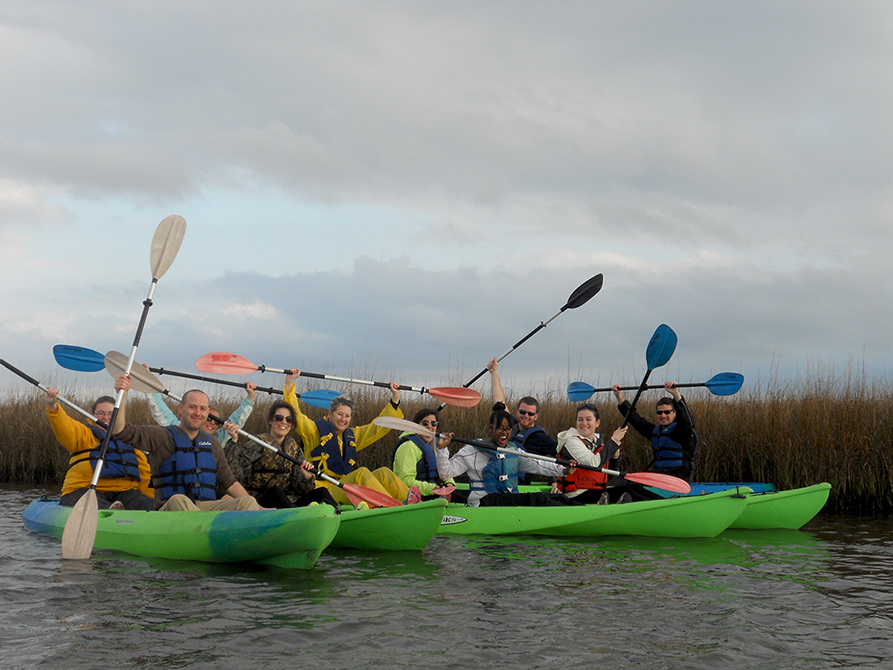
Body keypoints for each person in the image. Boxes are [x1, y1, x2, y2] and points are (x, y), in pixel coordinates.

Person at [110, 375, 263, 511]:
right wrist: (122, 396)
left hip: (206, 507)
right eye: (192, 407)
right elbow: (120, 431)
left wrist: (259, 507)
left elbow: (230, 482)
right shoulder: (161, 435)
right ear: (181, 408)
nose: (198, 413)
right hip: (172, 508)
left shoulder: (213, 443)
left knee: (247, 502)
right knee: (179, 500)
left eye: (203, 409)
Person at [283, 370, 412, 505]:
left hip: (341, 486)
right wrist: (290, 383)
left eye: (347, 416)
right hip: (323, 491)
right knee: (360, 474)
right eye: (339, 414)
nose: (343, 419)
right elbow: (295, 415)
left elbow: (376, 429)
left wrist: (395, 399)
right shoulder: (313, 431)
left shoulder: (351, 436)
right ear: (330, 414)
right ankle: (392, 507)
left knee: (384, 473)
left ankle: (414, 504)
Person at [433, 402, 577, 507]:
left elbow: (538, 464)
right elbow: (445, 473)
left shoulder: (512, 450)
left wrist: (563, 470)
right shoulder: (472, 450)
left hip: (506, 500)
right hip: (483, 502)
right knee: (537, 499)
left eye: (508, 429)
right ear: (491, 428)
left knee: (554, 497)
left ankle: (578, 507)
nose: (504, 433)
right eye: (500, 429)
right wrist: (442, 449)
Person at [43, 379, 154, 510]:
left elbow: (145, 476)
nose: (106, 418)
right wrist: (53, 407)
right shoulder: (84, 434)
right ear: (93, 415)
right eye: (100, 413)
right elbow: (65, 427)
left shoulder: (129, 441)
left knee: (148, 504)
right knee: (97, 504)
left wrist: (155, 499)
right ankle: (109, 515)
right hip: (84, 490)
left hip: (124, 492)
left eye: (111, 414)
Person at [224, 400, 339, 509]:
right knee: (275, 492)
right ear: (270, 421)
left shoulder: (294, 448)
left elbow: (302, 490)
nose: (284, 422)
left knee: (321, 492)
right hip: (260, 500)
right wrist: (234, 441)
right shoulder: (257, 444)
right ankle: (295, 517)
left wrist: (307, 477)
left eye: (288, 419)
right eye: (279, 418)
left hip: (287, 501)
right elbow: (236, 474)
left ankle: (339, 514)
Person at [488, 358, 559, 483]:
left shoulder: (540, 437)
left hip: (518, 483)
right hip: (499, 476)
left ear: (536, 416)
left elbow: (560, 454)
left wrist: (556, 482)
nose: (525, 416)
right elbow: (500, 402)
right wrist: (494, 373)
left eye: (530, 413)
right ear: (517, 412)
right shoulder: (512, 426)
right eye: (522, 412)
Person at [613, 381, 698, 481]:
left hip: (679, 478)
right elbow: (635, 420)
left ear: (675, 413)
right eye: (659, 412)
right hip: (659, 476)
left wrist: (676, 395)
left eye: (667, 412)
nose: (663, 415)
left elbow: (687, 421)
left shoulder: (682, 432)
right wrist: (619, 397)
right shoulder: (655, 431)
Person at [554, 403, 632, 504]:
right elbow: (593, 463)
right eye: (580, 419)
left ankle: (657, 503)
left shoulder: (598, 442)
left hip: (594, 491)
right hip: (575, 495)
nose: (584, 423)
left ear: (597, 422)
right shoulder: (571, 441)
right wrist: (615, 440)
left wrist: (615, 457)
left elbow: (609, 475)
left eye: (588, 419)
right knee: (628, 492)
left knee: (633, 488)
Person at [148, 379, 257, 449]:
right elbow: (161, 411)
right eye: (210, 419)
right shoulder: (178, 429)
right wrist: (148, 381)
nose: (212, 423)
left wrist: (250, 397)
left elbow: (236, 420)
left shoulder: (217, 440)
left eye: (217, 422)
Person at [392, 408, 466, 503]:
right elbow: (406, 481)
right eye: (425, 423)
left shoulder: (434, 445)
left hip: (433, 493)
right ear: (416, 426)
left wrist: (449, 483)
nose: (430, 427)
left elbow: (442, 470)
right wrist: (433, 488)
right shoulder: (408, 447)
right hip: (415, 497)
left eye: (433, 424)